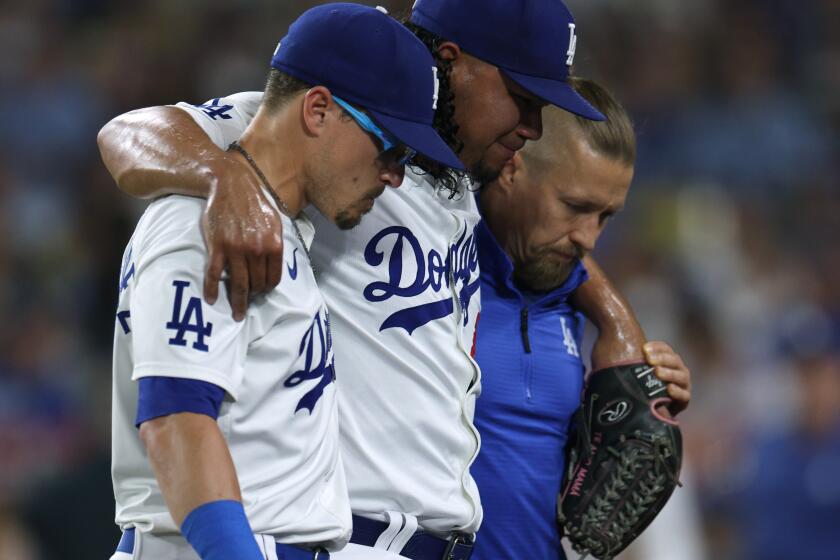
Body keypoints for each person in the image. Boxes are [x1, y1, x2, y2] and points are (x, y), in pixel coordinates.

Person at [98, 1, 685, 557]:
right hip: (330, 532)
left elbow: (558, 233)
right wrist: (219, 175)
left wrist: (616, 325)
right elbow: (129, 133)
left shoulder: (463, 174)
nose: (533, 126)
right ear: (453, 61)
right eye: (521, 97)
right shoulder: (335, 132)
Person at [102, 4, 463, 560]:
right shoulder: (205, 226)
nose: (394, 174)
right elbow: (176, 419)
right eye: (390, 145)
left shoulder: (277, 228)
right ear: (318, 110)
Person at [470, 77, 691, 559]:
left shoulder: (563, 291)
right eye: (575, 207)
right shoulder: (431, 266)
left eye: (606, 216)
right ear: (511, 165)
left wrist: (631, 404)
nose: (589, 237)